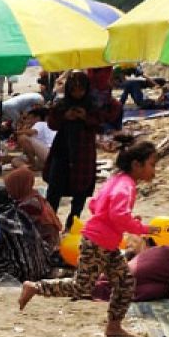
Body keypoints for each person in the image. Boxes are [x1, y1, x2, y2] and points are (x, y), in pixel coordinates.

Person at [19, 140, 160, 337]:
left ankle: (114, 326)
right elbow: (117, 214)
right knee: (82, 286)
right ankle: (36, 287)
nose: (154, 171)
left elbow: (95, 205)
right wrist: (141, 227)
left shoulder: (117, 180)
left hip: (104, 243)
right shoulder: (126, 186)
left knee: (125, 282)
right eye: (151, 165)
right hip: (98, 243)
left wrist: (122, 221)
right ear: (137, 165)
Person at [44, 71, 103, 229]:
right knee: (54, 190)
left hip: (84, 152)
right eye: (73, 89)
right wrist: (65, 116)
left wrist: (85, 117)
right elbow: (51, 124)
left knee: (81, 191)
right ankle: (50, 225)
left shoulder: (93, 105)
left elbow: (101, 125)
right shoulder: (61, 105)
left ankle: (72, 224)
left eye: (80, 89)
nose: (77, 93)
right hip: (62, 150)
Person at [3, 166, 61, 250]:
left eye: (10, 188)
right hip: (48, 243)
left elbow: (17, 229)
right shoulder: (32, 195)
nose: (8, 192)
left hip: (46, 248)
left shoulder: (29, 205)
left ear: (18, 186)